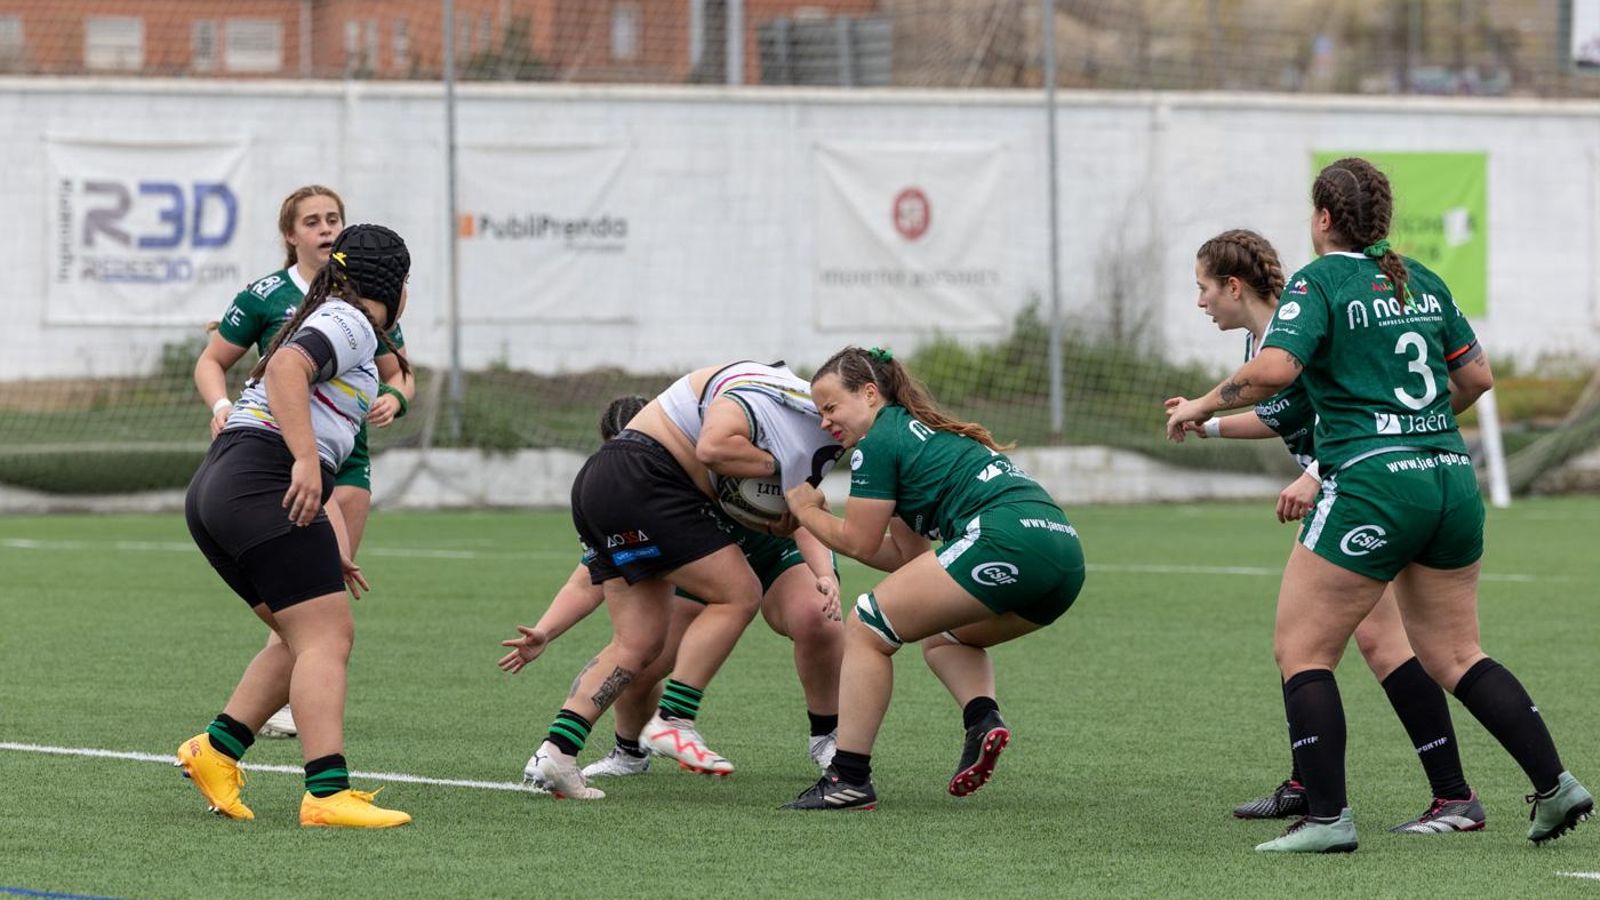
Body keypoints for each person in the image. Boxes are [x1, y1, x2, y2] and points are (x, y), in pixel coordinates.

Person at [1166, 158, 1592, 852]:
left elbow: (1275, 371)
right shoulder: (1420, 278)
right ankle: (1555, 785)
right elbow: (1477, 378)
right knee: (1456, 653)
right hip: (1450, 476)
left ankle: (1327, 818)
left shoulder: (1321, 280)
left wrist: (1203, 405)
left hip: (1376, 487)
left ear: (1324, 217)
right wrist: (1416, 425)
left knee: (1302, 648)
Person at [1183, 229, 1488, 834]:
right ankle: (1315, 783)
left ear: (1234, 286)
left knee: (1350, 643)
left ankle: (1448, 794)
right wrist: (1207, 424)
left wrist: (1316, 475)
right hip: (1364, 488)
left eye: (1203, 288)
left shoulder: (1301, 327)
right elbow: (1284, 414)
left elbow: (1356, 411)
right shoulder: (1261, 341)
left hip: (1367, 489)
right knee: (1344, 641)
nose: (1199, 301)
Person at [177, 224, 414, 828]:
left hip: (224, 484)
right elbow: (286, 369)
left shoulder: (329, 313)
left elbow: (302, 412)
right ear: (397, 287)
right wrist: (305, 459)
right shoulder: (353, 320)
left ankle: (216, 751)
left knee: (297, 636)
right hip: (262, 478)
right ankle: (326, 794)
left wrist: (327, 531)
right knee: (326, 639)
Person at [778, 346, 1086, 811]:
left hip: (1005, 537)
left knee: (865, 627)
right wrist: (822, 519)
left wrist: (805, 511)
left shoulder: (878, 440)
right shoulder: (919, 433)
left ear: (869, 394)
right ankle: (982, 720)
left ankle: (849, 778)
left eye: (831, 407)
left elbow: (858, 542)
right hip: (1063, 554)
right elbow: (909, 559)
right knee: (942, 638)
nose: (824, 422)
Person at [527, 362, 845, 800]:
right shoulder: (737, 430)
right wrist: (781, 464)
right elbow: (584, 581)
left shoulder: (731, 423)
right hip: (671, 519)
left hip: (607, 493)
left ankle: (557, 753)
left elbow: (804, 507)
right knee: (736, 597)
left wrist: (824, 573)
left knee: (636, 643)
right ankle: (668, 722)